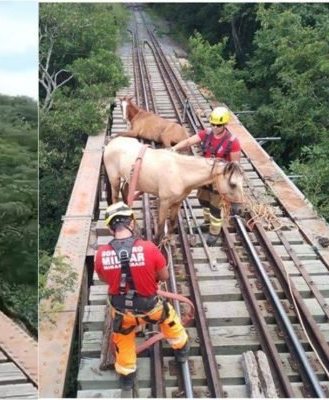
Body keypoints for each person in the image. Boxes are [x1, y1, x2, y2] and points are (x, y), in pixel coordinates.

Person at [94, 202, 189, 398]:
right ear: (132, 223)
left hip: (123, 314)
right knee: (170, 320)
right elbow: (163, 277)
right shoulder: (149, 248)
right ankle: (181, 352)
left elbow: (105, 279)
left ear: (110, 227)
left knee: (123, 340)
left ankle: (127, 379)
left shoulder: (101, 254)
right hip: (151, 308)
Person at [170, 106, 241, 245]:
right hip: (205, 175)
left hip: (220, 177)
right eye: (213, 124)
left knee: (215, 205)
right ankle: (207, 223)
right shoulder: (207, 134)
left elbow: (235, 165)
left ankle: (214, 231)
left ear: (225, 124)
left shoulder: (232, 142)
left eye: (218, 125)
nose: (215, 127)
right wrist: (174, 148)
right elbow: (190, 141)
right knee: (203, 200)